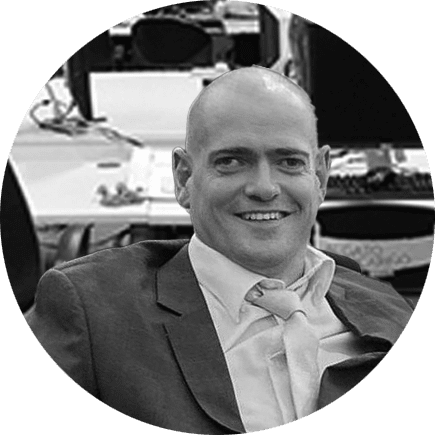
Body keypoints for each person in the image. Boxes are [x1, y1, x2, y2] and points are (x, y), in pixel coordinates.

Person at [26, 66, 413, 434]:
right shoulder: (91, 312)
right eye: (231, 162)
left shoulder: (390, 309)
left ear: (321, 176)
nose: (264, 188)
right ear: (184, 178)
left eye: (289, 162)